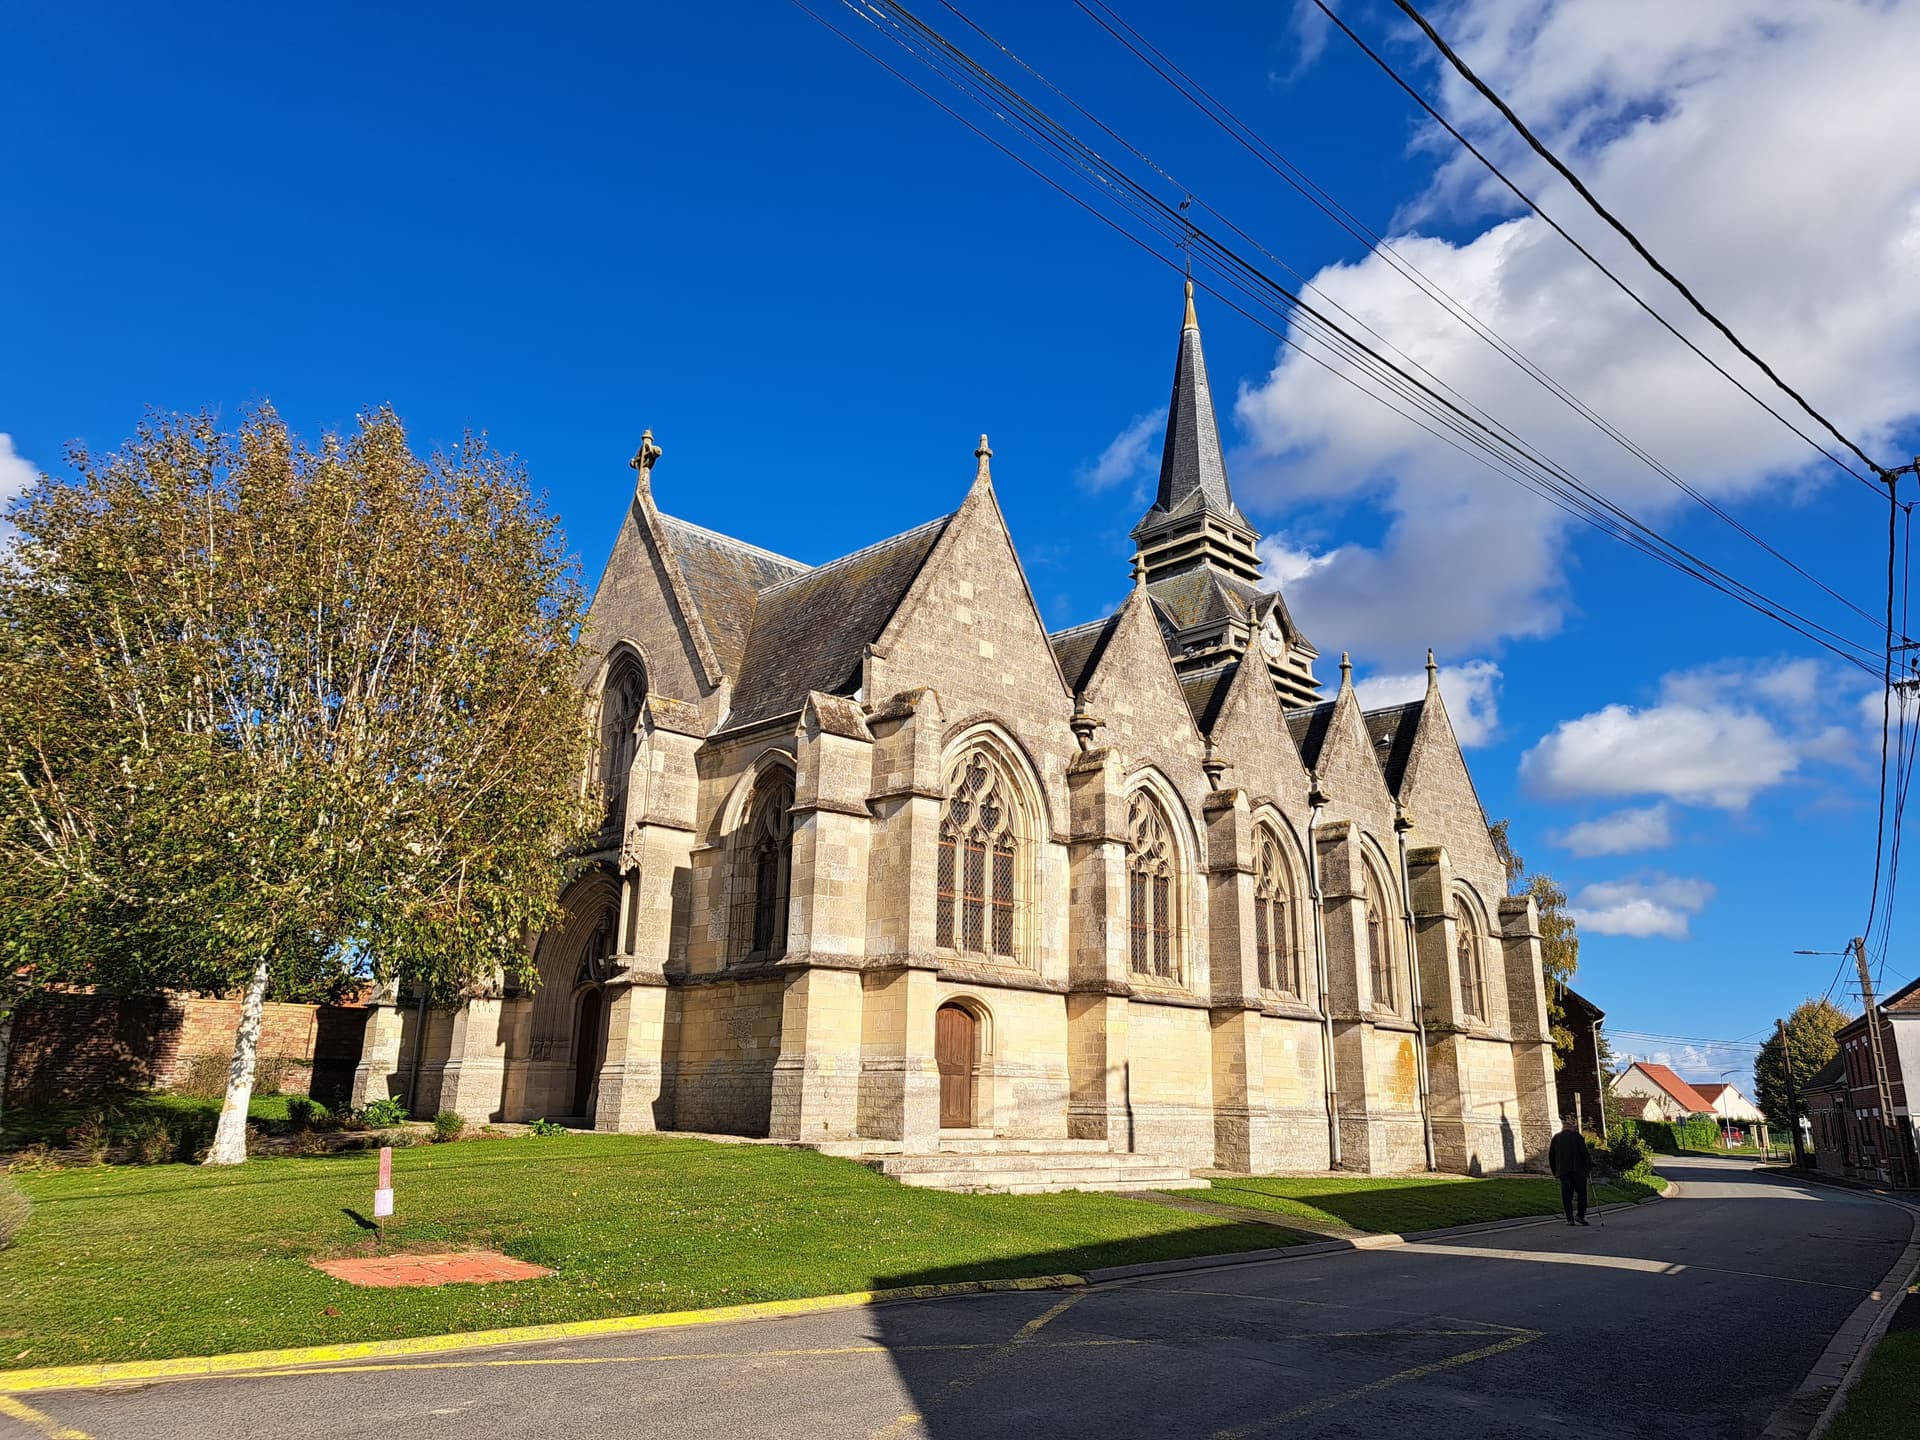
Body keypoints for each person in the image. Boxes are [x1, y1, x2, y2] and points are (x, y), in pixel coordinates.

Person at [1548, 1115, 1592, 1226]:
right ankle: (1580, 1216)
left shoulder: (1556, 1138)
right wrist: (1589, 1165)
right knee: (1582, 1194)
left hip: (1564, 1171)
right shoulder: (1578, 1137)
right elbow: (1584, 1153)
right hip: (1579, 1171)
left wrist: (1555, 1171)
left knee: (1567, 1196)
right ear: (1572, 1127)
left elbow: (1551, 1156)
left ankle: (1569, 1219)